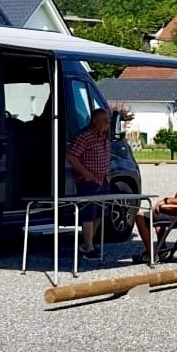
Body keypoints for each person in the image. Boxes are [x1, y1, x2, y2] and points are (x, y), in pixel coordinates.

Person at [66, 107, 113, 259]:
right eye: (104, 121)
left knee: (100, 213)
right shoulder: (85, 137)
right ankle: (89, 247)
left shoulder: (105, 137)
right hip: (88, 180)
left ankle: (87, 243)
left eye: (108, 121)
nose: (107, 123)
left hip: (103, 180)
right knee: (88, 213)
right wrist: (85, 174)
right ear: (95, 121)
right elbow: (72, 156)